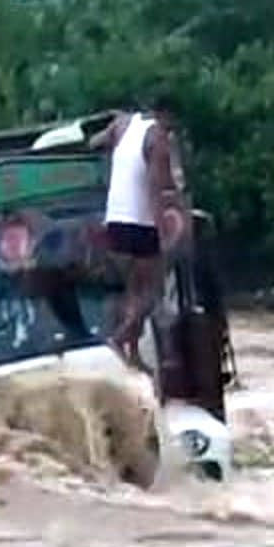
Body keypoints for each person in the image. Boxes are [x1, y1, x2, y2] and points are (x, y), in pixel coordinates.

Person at [88, 93, 183, 372]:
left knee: (132, 290)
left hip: (114, 220)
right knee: (153, 289)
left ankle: (132, 353)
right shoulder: (158, 139)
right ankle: (119, 339)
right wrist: (163, 234)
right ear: (166, 115)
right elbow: (156, 189)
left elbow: (94, 142)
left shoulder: (122, 123)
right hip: (140, 223)